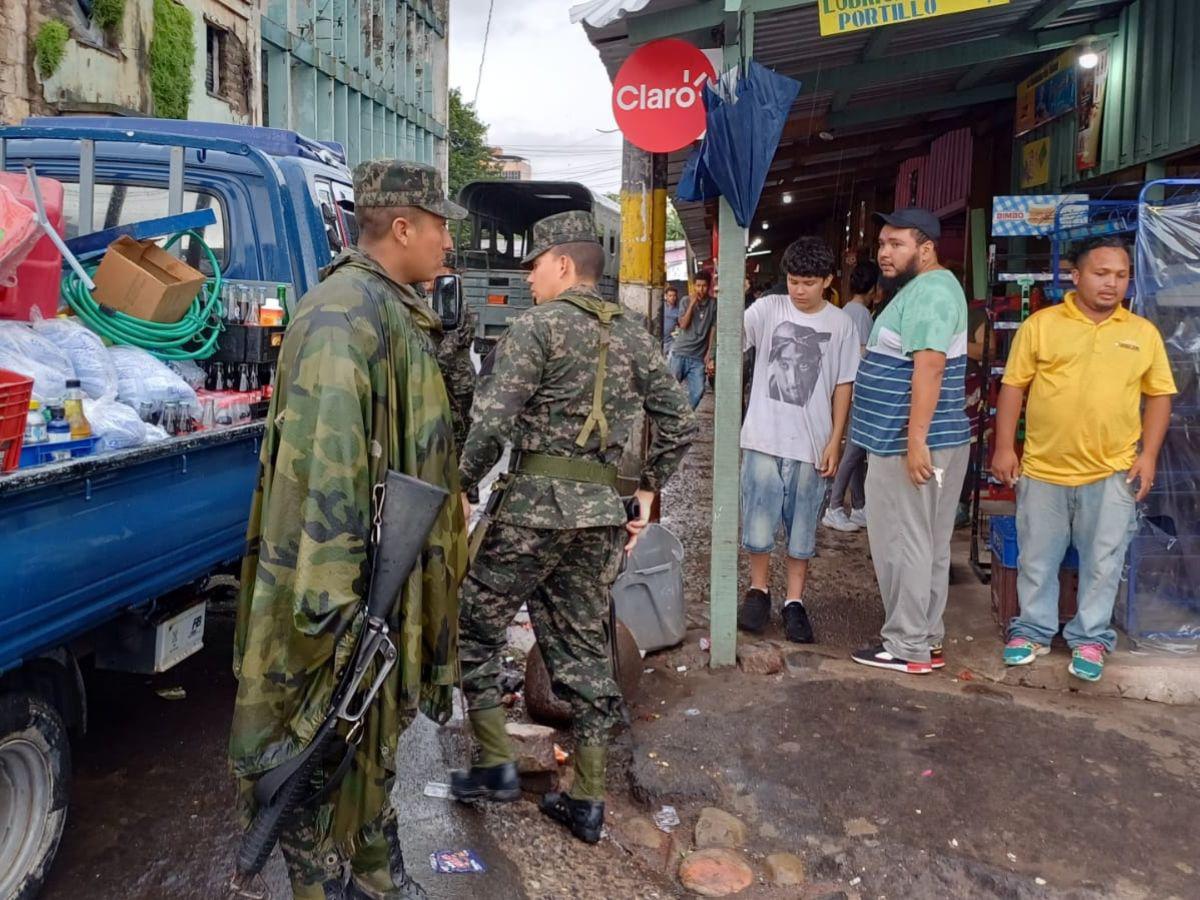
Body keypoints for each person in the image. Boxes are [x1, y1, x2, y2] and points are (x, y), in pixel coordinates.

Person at [230, 161, 469, 899]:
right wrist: (332, 628)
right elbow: (321, 491)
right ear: (402, 227)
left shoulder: (389, 308)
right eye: (440, 226)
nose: (449, 243)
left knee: (369, 757)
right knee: (318, 771)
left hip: (379, 594)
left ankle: (373, 876)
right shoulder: (342, 318)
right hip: (345, 605)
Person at [450, 210, 696, 843]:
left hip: (532, 510)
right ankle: (587, 800)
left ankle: (494, 764)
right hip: (599, 521)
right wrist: (644, 490)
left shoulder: (534, 328)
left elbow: (492, 423)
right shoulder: (636, 333)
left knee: (471, 624)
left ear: (562, 263)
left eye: (533, 265)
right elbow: (679, 423)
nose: (529, 278)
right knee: (587, 648)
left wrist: (457, 486)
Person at [994, 236, 1175, 682]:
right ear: (1075, 276)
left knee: (1104, 560)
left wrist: (1148, 456)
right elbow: (1014, 387)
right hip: (1043, 468)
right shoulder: (1042, 325)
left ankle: (1091, 637)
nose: (1112, 283)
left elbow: (1160, 396)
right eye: (1101, 273)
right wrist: (1003, 448)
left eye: (1120, 275)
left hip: (1112, 472)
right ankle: (1033, 630)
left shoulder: (1142, 333)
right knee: (1038, 557)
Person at [849, 208, 971, 675]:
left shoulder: (932, 291)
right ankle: (925, 638)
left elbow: (930, 366)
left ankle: (905, 646)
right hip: (923, 440)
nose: (884, 252)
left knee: (904, 542)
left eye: (896, 244)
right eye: (882, 243)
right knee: (929, 544)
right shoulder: (929, 289)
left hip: (910, 444)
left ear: (926, 249)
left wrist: (914, 440)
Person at [736, 237, 859, 643]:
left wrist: (835, 440)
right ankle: (758, 591)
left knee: (803, 527)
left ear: (827, 280)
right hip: (762, 438)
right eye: (792, 281)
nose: (799, 290)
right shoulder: (769, 309)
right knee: (757, 520)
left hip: (811, 444)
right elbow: (735, 339)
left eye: (808, 282)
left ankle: (794, 602)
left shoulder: (841, 324)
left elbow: (844, 385)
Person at [823, 259, 880, 532]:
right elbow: (863, 356)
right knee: (854, 449)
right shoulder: (862, 316)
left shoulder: (845, 310)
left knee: (856, 450)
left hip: (846, 388)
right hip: (859, 390)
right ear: (874, 288)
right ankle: (833, 506)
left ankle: (858, 505)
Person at [426, 257, 480, 499]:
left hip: (458, 382)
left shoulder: (455, 305)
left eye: (437, 271)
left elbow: (449, 346)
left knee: (460, 434)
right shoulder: (429, 301)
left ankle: (465, 488)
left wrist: (429, 369)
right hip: (442, 378)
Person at [670, 270, 717, 408]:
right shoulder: (685, 301)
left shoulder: (713, 304)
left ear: (708, 287)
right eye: (697, 286)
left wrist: (710, 352)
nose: (700, 289)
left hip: (698, 358)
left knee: (698, 391)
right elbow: (683, 324)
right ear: (693, 286)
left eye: (703, 286)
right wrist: (692, 304)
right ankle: (671, 419)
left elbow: (713, 330)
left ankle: (685, 418)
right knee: (670, 390)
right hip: (680, 353)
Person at [662, 284, 681, 355]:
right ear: (666, 296)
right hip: (659, 341)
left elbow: (681, 326)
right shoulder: (661, 307)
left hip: (670, 342)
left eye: (674, 295)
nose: (672, 298)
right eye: (670, 296)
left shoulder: (678, 311)